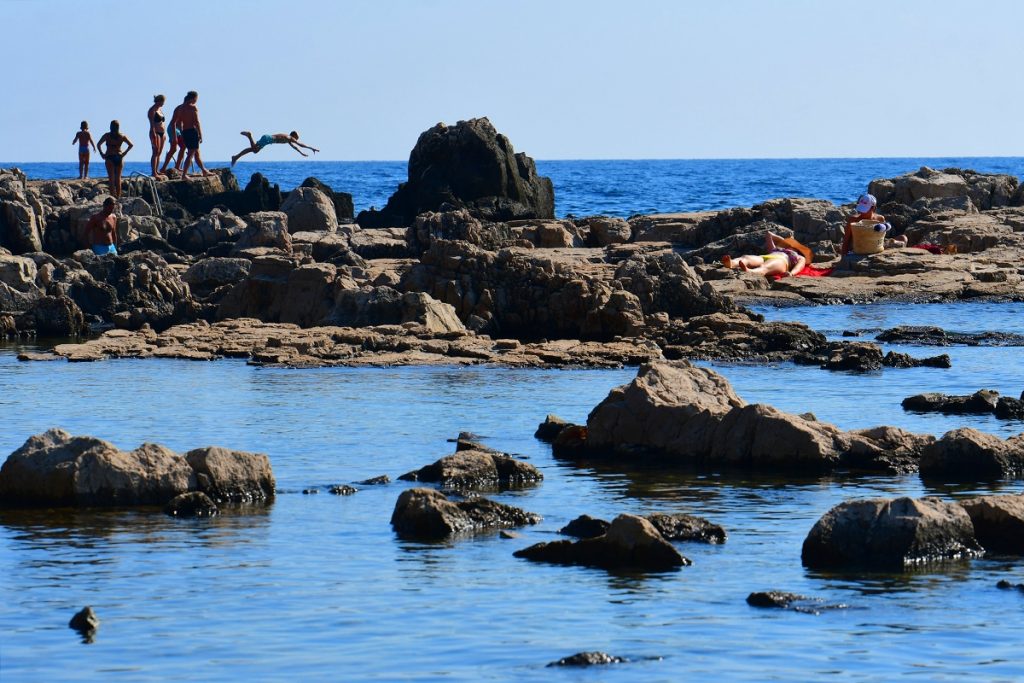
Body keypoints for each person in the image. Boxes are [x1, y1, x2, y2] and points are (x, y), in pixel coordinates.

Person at [841, 193, 906, 256]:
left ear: (873, 208)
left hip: (875, 246)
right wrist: (843, 258)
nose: (862, 212)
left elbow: (881, 237)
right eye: (861, 209)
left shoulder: (880, 219)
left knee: (903, 238)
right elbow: (846, 241)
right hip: (860, 248)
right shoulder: (853, 220)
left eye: (865, 209)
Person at [721, 230, 807, 278]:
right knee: (746, 257)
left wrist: (791, 273)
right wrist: (784, 241)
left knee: (765, 267)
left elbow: (799, 267)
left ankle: (750, 271)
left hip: (781, 261)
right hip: (765, 257)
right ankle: (731, 263)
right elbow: (768, 234)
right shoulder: (776, 249)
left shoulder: (799, 256)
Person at [231, 131, 320, 166]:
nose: (296, 140)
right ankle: (249, 136)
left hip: (267, 138)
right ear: (294, 136)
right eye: (297, 138)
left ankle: (235, 157)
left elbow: (295, 147)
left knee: (253, 150)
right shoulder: (290, 138)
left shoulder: (288, 139)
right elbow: (300, 144)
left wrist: (301, 153)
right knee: (254, 150)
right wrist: (311, 148)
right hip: (268, 139)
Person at [177, 90, 212, 177]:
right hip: (192, 131)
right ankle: (184, 175)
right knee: (190, 154)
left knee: (196, 153)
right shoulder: (193, 107)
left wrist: (182, 133)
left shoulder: (181, 108)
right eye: (196, 98)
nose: (196, 100)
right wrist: (200, 134)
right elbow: (196, 122)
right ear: (193, 98)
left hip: (185, 132)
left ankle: (204, 170)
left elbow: (179, 122)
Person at [96, 120, 134, 199]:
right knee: (118, 178)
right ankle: (118, 197)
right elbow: (131, 145)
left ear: (110, 127)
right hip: (119, 157)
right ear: (118, 127)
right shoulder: (122, 136)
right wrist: (124, 153)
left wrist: (102, 153)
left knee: (111, 178)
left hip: (109, 156)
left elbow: (98, 144)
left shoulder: (107, 135)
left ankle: (112, 196)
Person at [159, 94, 189, 175]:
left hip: (179, 129)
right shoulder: (179, 108)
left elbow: (182, 123)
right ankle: (163, 168)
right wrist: (175, 137)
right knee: (174, 149)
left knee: (183, 147)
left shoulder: (187, 109)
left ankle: (177, 166)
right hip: (173, 128)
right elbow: (174, 123)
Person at [148, 94, 167, 177]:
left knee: (159, 153)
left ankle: (157, 170)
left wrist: (164, 134)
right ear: (159, 101)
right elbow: (152, 124)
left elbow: (162, 122)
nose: (163, 103)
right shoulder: (152, 110)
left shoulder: (160, 110)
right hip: (155, 132)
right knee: (155, 152)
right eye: (163, 101)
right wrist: (154, 134)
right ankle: (153, 172)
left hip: (162, 133)